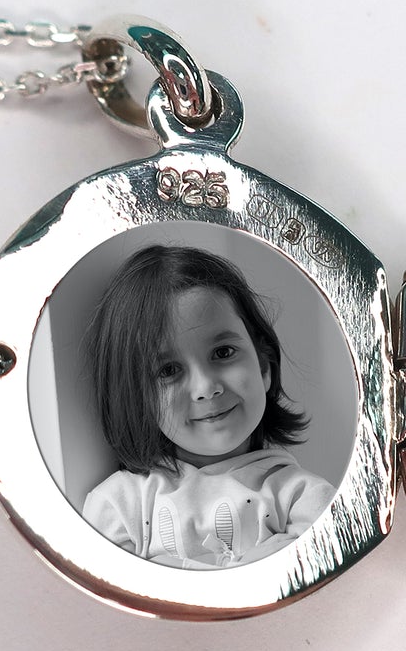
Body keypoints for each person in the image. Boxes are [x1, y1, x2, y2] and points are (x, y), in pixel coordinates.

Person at [81, 244, 334, 569]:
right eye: (168, 370)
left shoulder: (305, 499)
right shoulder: (119, 506)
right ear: (139, 400)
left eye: (223, 353)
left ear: (263, 367)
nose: (206, 387)